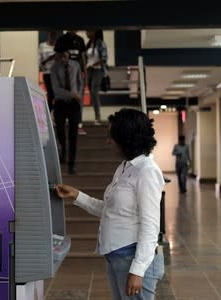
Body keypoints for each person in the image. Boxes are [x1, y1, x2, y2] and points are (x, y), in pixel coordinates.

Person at [55, 108, 165, 299]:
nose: (108, 141)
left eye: (111, 136)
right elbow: (111, 211)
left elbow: (151, 226)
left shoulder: (147, 171)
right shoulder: (124, 167)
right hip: (117, 257)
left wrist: (138, 270)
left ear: (126, 139)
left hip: (133, 259)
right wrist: (77, 195)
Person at [50, 49, 83, 175]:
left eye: (64, 56)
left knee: (73, 134)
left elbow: (80, 82)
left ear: (68, 56)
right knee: (60, 131)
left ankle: (72, 164)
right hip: (60, 103)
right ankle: (63, 149)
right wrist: (72, 94)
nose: (63, 58)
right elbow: (56, 89)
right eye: (60, 56)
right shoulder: (54, 68)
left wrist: (78, 95)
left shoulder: (76, 65)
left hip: (74, 104)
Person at [54, 30, 87, 135]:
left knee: (78, 99)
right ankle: (61, 123)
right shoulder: (61, 40)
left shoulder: (80, 40)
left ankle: (79, 124)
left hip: (77, 75)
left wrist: (85, 72)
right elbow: (57, 57)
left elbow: (82, 58)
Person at [85, 30, 108, 125]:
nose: (87, 33)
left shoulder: (101, 43)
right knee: (92, 94)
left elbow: (104, 59)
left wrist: (93, 64)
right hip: (89, 70)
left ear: (95, 33)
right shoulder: (89, 43)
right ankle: (96, 116)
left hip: (97, 70)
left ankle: (97, 117)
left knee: (94, 93)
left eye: (89, 31)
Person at [38, 31, 57, 111]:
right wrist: (42, 66)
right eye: (51, 35)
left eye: (54, 35)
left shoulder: (57, 46)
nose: (52, 37)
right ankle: (50, 110)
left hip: (56, 73)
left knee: (56, 92)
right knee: (50, 92)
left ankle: (56, 110)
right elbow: (39, 60)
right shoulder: (42, 46)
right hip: (47, 72)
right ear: (48, 36)